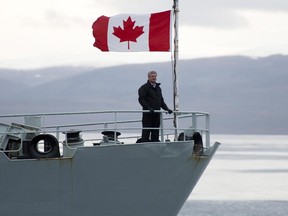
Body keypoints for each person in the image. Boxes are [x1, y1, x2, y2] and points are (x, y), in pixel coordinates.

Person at [138, 71, 173, 142]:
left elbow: (161, 101)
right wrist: (148, 108)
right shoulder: (144, 88)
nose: (154, 77)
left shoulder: (158, 88)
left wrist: (167, 109)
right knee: (146, 129)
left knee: (156, 129)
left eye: (155, 76)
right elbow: (141, 99)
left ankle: (155, 142)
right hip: (148, 113)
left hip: (157, 113)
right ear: (148, 77)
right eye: (152, 76)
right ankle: (144, 143)